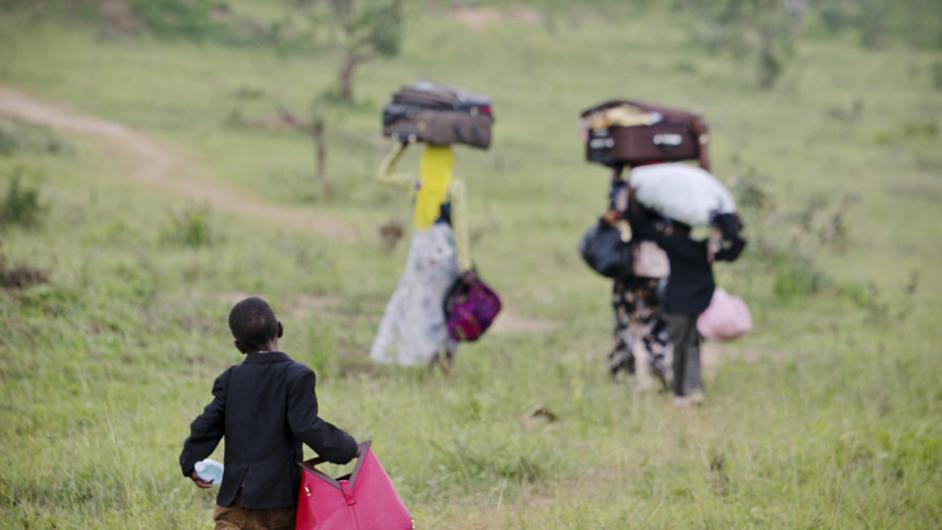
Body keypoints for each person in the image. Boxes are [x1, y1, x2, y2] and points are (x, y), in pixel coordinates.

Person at [180, 297, 358, 530]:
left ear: (238, 346)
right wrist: (347, 448)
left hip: (237, 501)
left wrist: (190, 462)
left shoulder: (231, 379)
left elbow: (207, 425)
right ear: (279, 329)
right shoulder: (298, 376)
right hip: (282, 502)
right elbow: (306, 426)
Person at [369, 141, 473, 371]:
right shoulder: (453, 187)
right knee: (443, 309)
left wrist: (400, 147)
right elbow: (460, 229)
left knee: (415, 306)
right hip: (445, 259)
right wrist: (466, 267)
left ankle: (420, 357)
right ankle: (441, 359)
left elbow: (383, 175)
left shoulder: (417, 185)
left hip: (420, 257)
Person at [636, 201, 745, 405]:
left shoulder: (673, 244)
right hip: (701, 302)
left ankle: (680, 393)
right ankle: (694, 389)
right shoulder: (703, 247)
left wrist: (643, 208)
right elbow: (733, 251)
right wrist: (729, 227)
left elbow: (644, 230)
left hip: (678, 303)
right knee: (693, 344)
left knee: (679, 346)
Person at [601, 164, 671, 388]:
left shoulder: (626, 192)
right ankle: (653, 364)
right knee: (654, 322)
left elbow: (614, 218)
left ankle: (630, 366)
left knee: (628, 319)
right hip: (657, 268)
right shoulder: (669, 194)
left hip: (634, 267)